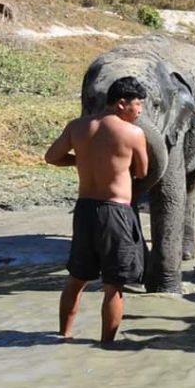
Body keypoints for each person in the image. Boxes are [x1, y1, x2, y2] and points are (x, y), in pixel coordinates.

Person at [45, 76, 149, 343]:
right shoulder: (133, 133)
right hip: (115, 212)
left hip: (84, 210)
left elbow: (52, 157)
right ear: (122, 104)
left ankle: (63, 336)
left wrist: (82, 160)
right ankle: (107, 345)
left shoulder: (77, 127)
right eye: (138, 105)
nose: (140, 111)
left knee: (76, 279)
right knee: (114, 286)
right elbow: (143, 171)